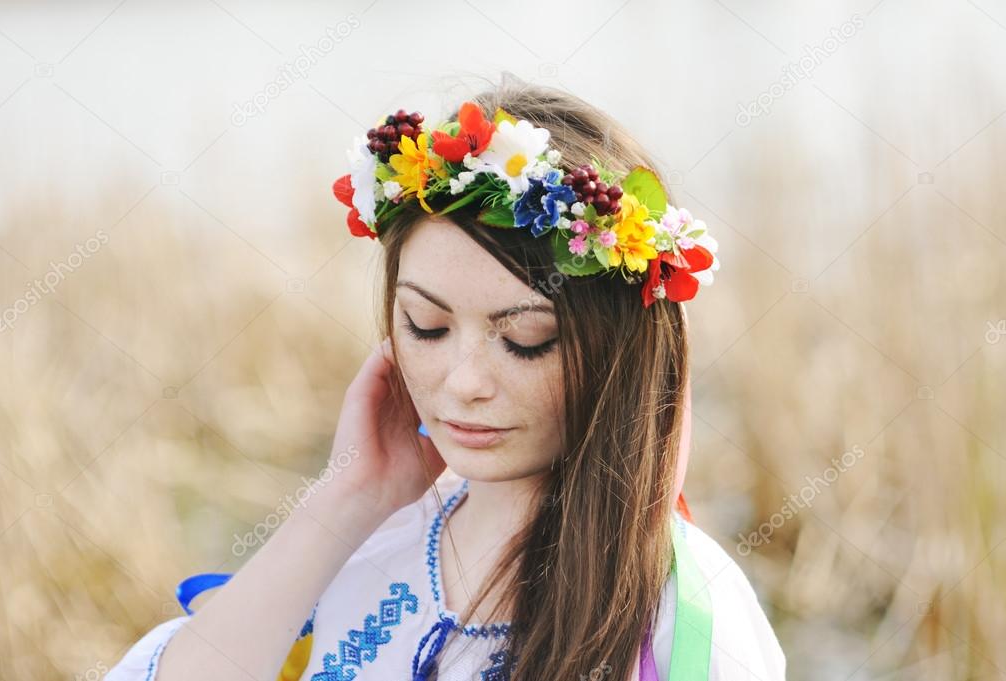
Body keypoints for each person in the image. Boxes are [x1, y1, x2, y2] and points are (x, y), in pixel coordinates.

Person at [105, 78, 785, 681]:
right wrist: (347, 497)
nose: (462, 382)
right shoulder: (366, 541)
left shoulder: (682, 613)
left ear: (617, 353)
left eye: (525, 339)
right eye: (426, 325)